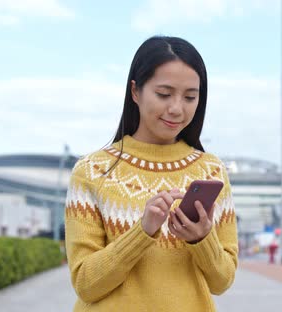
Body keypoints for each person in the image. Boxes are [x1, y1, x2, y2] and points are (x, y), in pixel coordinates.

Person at [64, 36, 238, 312]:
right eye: (164, 94)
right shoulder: (92, 171)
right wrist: (143, 231)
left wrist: (200, 239)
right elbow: (86, 283)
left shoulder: (211, 171)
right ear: (135, 91)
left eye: (190, 97)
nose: (177, 109)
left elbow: (222, 281)